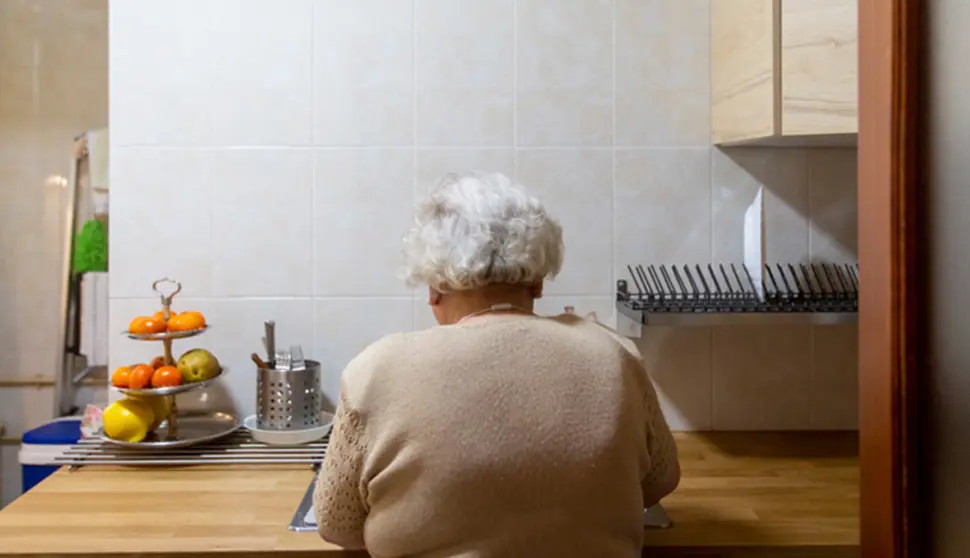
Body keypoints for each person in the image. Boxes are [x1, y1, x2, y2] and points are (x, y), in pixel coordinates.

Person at [313, 172, 680, 558]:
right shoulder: (614, 354)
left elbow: (338, 524)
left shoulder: (376, 370)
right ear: (538, 282)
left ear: (435, 287)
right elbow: (660, 480)